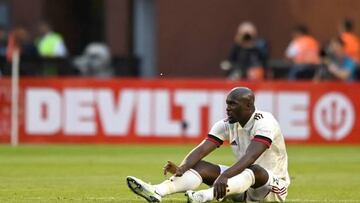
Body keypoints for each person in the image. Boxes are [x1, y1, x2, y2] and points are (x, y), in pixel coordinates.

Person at [126, 87, 290, 202]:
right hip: (241, 187)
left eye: (233, 104)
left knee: (253, 169)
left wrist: (225, 176)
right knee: (198, 166)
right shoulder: (227, 124)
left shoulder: (265, 122)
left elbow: (251, 156)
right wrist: (182, 168)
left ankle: (204, 196)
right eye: (227, 104)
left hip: (271, 189)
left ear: (248, 106)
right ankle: (157, 191)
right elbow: (202, 149)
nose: (228, 109)